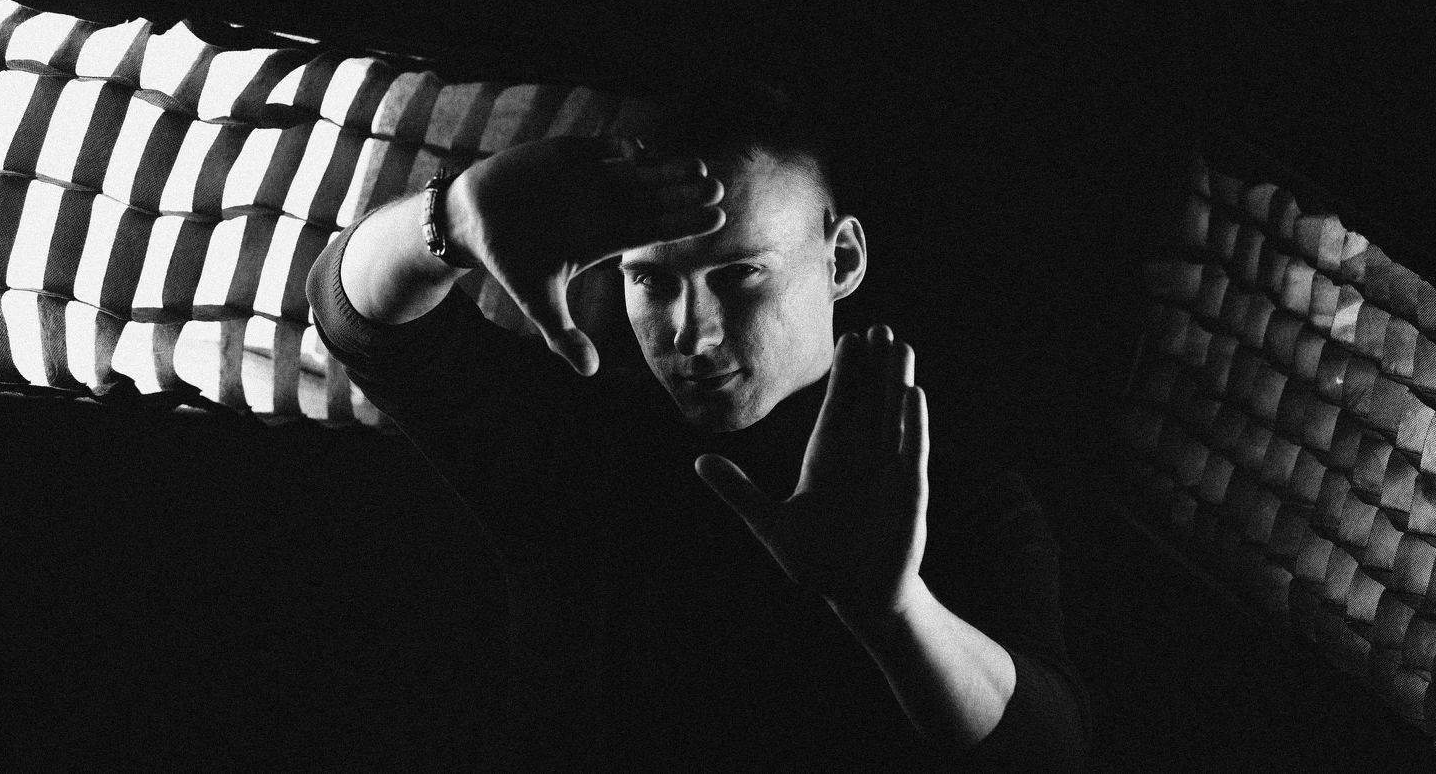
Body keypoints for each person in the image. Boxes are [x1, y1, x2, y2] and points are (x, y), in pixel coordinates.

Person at [305, 84, 1088, 769]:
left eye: (740, 274)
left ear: (843, 259)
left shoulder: (943, 486)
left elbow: (1051, 750)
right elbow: (359, 319)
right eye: (651, 278)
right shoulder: (582, 439)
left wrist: (895, 613)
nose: (693, 332)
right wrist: (449, 217)